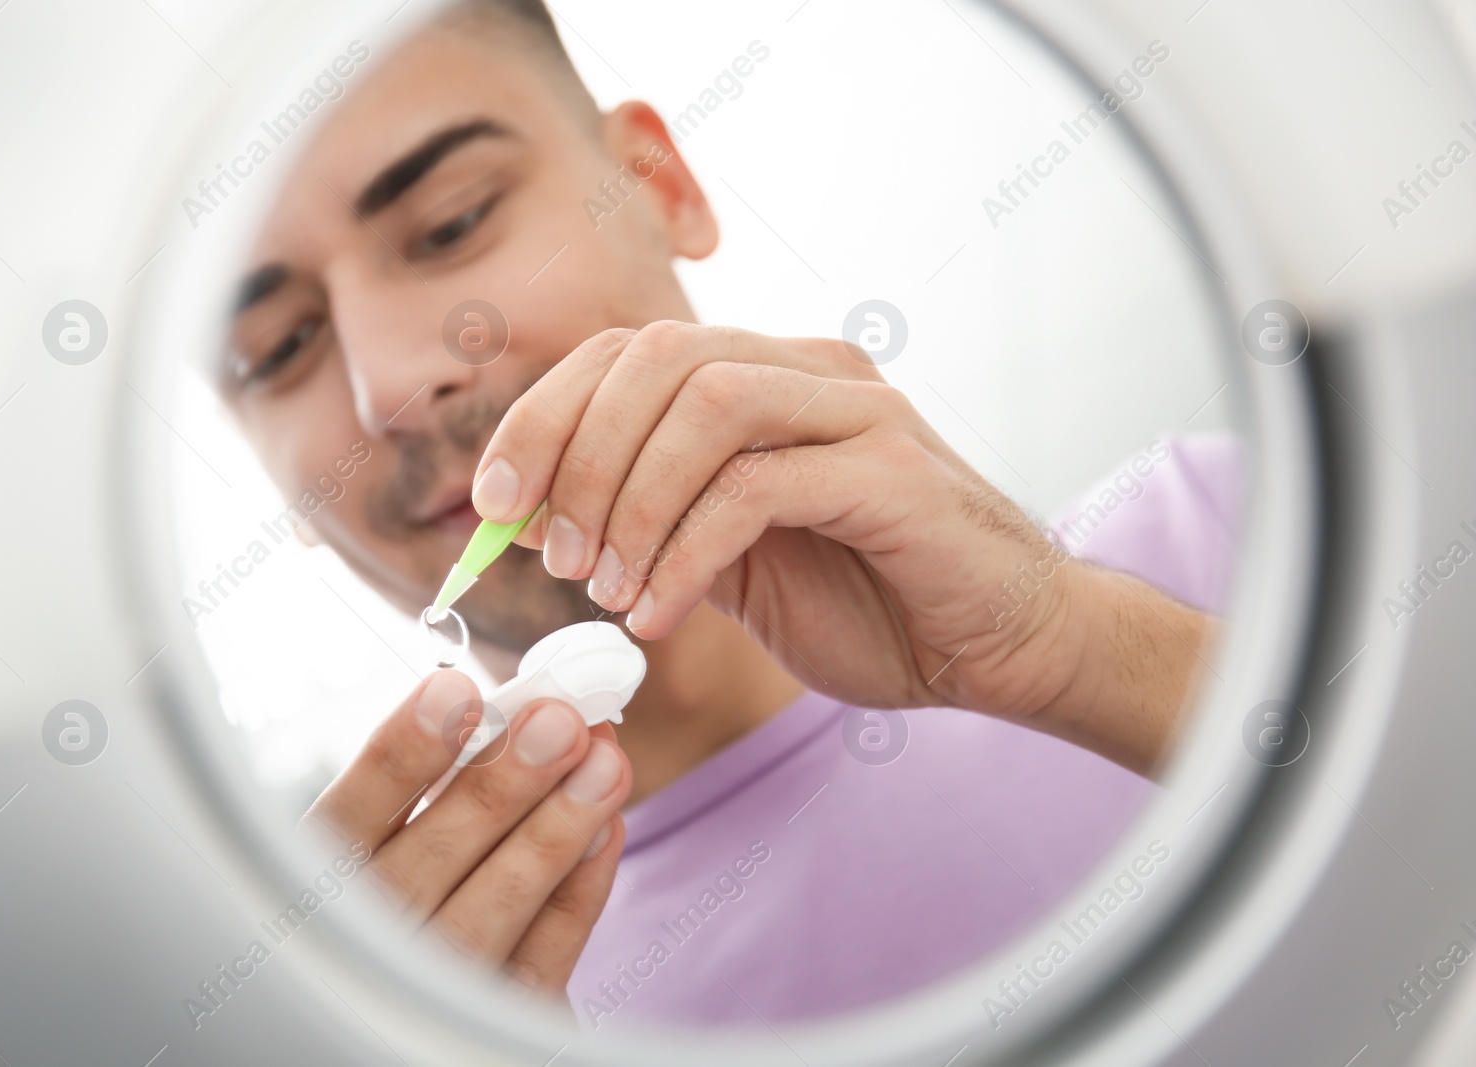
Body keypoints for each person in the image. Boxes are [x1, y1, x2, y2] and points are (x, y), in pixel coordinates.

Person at [216, 0, 1235, 1028]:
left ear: (661, 186)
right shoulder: (426, 1009)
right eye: (279, 350)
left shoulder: (1232, 541)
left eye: (451, 223)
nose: (383, 388)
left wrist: (1075, 647)